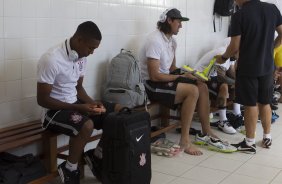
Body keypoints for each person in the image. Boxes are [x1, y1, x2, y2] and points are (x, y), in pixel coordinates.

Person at [140, 8, 236, 156]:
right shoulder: (155, 40)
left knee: (201, 85)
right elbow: (154, 76)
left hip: (163, 80)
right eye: (178, 22)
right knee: (192, 91)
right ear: (169, 20)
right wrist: (180, 78)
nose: (181, 25)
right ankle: (184, 140)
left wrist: (188, 73)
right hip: (151, 85)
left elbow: (171, 68)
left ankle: (206, 131)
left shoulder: (172, 42)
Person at [37, 21, 120, 183]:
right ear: (79, 40)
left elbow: (79, 88)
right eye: (90, 48)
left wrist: (93, 103)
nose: (92, 52)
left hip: (74, 104)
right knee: (86, 125)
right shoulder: (51, 59)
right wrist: (78, 106)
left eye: (95, 49)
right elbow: (42, 99)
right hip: (52, 113)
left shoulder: (81, 57)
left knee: (115, 113)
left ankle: (97, 157)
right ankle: (69, 169)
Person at [216, 0, 282, 154]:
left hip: (248, 66)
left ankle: (249, 142)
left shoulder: (240, 15)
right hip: (267, 65)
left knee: (251, 104)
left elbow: (234, 46)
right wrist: (272, 47)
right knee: (264, 102)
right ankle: (267, 137)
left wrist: (224, 57)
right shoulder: (272, 9)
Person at [194, 38, 243, 134]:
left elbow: (232, 72)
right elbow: (221, 77)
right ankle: (222, 121)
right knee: (224, 86)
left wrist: (239, 81)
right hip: (199, 78)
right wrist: (237, 83)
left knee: (236, 84)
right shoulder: (223, 52)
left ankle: (237, 114)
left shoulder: (232, 56)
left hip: (209, 78)